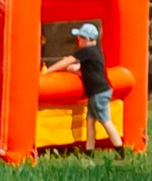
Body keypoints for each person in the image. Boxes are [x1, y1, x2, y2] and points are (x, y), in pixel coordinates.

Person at [45, 21, 118, 152]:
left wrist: (48, 72)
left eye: (79, 38)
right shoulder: (96, 51)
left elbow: (67, 61)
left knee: (105, 121)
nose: (77, 41)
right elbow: (89, 68)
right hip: (98, 92)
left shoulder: (86, 51)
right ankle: (89, 151)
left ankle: (120, 149)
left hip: (98, 92)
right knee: (90, 120)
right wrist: (75, 69)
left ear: (86, 39)